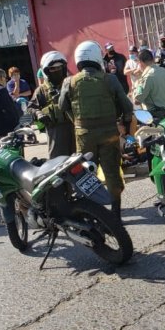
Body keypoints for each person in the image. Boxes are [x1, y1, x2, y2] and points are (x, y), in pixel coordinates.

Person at [58, 40, 133, 219]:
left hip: (83, 136)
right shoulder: (110, 79)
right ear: (97, 58)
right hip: (109, 135)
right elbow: (127, 107)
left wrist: (76, 121)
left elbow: (62, 106)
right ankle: (115, 216)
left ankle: (93, 215)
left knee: (86, 176)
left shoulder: (69, 82)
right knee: (112, 174)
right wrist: (125, 126)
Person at [29, 51, 75, 159]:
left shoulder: (72, 84)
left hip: (75, 128)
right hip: (55, 132)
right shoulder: (42, 90)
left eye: (59, 68)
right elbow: (30, 108)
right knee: (58, 164)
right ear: (46, 71)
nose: (57, 71)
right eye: (53, 69)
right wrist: (39, 114)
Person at [134, 50, 165, 122]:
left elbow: (137, 100)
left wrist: (136, 83)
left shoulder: (147, 77)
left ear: (140, 62)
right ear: (153, 59)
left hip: (155, 117)